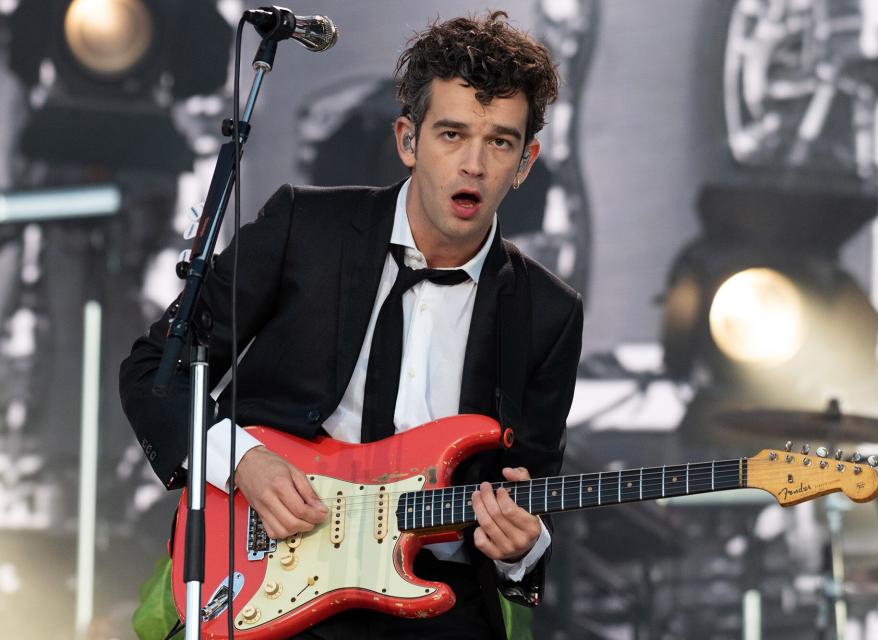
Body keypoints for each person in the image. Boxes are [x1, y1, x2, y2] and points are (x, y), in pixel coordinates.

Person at [119, 11, 582, 639]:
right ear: (407, 140)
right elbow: (156, 369)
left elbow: (527, 491)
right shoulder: (303, 230)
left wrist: (519, 549)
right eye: (451, 135)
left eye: (499, 142)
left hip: (438, 606)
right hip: (275, 581)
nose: (473, 164)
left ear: (525, 162)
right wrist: (242, 461)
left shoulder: (548, 312)